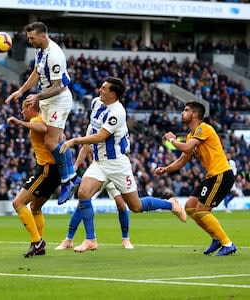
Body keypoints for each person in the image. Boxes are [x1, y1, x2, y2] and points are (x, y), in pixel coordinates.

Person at [60, 76, 186, 252]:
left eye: (104, 88)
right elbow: (92, 130)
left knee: (136, 206)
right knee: (83, 193)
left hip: (118, 164)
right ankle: (90, 240)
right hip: (99, 163)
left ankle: (171, 204)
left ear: (113, 93)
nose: (99, 90)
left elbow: (101, 136)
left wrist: (74, 141)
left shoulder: (117, 112)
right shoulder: (96, 103)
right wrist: (78, 161)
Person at [5, 21, 80, 204]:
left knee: (50, 141)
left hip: (58, 100)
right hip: (47, 100)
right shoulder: (40, 50)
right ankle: (73, 176)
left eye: (32, 38)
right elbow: (36, 73)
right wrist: (21, 91)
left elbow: (59, 86)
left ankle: (67, 182)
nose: (30, 41)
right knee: (58, 139)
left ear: (42, 36)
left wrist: (37, 97)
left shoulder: (55, 55)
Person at [154, 101, 237, 256]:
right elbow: (182, 160)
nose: (182, 113)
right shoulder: (191, 135)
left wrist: (171, 140)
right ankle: (216, 238)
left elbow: (185, 147)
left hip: (221, 174)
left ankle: (228, 243)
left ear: (196, 114)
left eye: (186, 110)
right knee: (190, 207)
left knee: (202, 211)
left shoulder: (203, 128)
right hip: (212, 176)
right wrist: (166, 169)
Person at [7, 99, 61, 257]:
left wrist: (19, 122)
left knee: (18, 202)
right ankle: (40, 245)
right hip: (54, 170)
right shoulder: (48, 118)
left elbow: (42, 128)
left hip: (47, 169)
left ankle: (36, 241)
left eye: (23, 108)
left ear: (30, 107)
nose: (22, 112)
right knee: (35, 208)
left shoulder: (37, 119)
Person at [55, 143, 133, 251]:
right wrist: (76, 166)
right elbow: (86, 147)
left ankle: (125, 239)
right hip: (99, 173)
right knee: (82, 204)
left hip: (114, 170)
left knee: (121, 205)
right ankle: (68, 240)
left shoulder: (113, 128)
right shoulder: (93, 128)